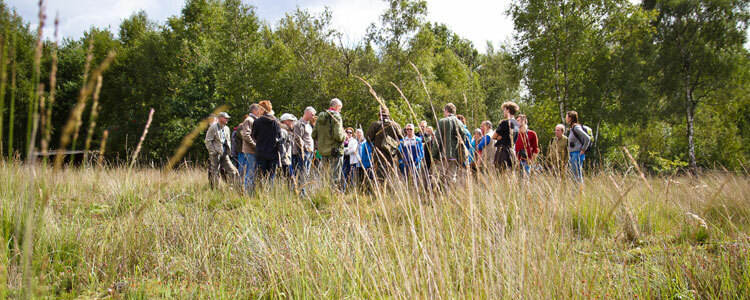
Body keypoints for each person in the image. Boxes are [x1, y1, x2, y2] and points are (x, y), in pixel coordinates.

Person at [312, 98, 347, 191]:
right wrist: (345, 135)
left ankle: (322, 194)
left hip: (323, 151)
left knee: (323, 176)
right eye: (340, 108)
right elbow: (339, 136)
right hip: (335, 151)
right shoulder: (337, 117)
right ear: (337, 107)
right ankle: (333, 197)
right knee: (334, 177)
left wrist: (323, 141)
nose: (340, 110)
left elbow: (314, 134)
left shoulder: (320, 117)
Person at [366, 106, 404, 184]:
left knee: (380, 177)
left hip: (379, 156)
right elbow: (401, 137)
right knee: (392, 175)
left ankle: (381, 192)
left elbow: (368, 138)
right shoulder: (395, 125)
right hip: (392, 155)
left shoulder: (375, 125)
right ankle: (392, 193)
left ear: (379, 115)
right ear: (388, 115)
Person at [205, 112, 239, 189]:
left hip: (225, 153)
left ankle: (231, 187)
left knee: (232, 170)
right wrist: (213, 151)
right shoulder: (213, 128)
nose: (227, 119)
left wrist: (228, 151)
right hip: (216, 153)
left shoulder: (227, 128)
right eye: (225, 118)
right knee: (215, 172)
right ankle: (215, 189)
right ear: (220, 118)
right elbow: (208, 141)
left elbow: (228, 140)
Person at [251, 101, 282, 185]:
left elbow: (253, 135)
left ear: (262, 109)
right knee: (271, 176)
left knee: (262, 176)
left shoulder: (257, 122)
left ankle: (262, 194)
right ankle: (269, 194)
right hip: (273, 152)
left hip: (261, 152)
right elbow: (279, 136)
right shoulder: (275, 122)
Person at [437, 103, 468, 183]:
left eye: (444, 111)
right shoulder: (460, 123)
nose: (444, 113)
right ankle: (451, 194)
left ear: (446, 110)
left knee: (438, 177)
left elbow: (438, 140)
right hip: (455, 156)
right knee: (452, 177)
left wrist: (434, 155)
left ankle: (441, 194)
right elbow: (463, 140)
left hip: (443, 155)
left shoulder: (442, 121)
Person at [292, 106, 316, 195]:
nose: (313, 117)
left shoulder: (309, 125)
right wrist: (306, 147)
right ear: (306, 113)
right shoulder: (299, 124)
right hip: (302, 152)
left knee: (307, 171)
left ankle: (304, 190)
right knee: (302, 171)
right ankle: (301, 192)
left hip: (310, 152)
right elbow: (297, 138)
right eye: (312, 115)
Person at [239, 104, 261, 194]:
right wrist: (255, 145)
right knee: (250, 173)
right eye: (259, 110)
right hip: (250, 150)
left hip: (254, 151)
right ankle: (248, 194)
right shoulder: (249, 120)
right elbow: (245, 135)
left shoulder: (254, 120)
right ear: (254, 110)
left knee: (253, 173)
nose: (260, 112)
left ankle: (251, 192)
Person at [492, 101, 520, 172]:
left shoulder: (504, 123)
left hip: (503, 152)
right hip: (512, 151)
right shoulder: (516, 124)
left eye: (504, 110)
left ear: (508, 110)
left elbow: (494, 136)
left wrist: (498, 137)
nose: (503, 112)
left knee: (500, 174)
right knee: (510, 174)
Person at [567, 111, 591, 183]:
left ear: (571, 118)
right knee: (574, 175)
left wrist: (583, 150)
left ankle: (579, 192)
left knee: (577, 175)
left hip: (577, 153)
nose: (566, 119)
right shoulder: (572, 128)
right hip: (572, 153)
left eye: (567, 117)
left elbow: (587, 138)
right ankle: (575, 192)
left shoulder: (576, 128)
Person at [279, 113, 297, 179]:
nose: (293, 122)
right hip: (284, 160)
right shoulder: (283, 131)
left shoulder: (287, 130)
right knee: (291, 179)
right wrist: (284, 158)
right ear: (286, 121)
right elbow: (281, 146)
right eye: (291, 121)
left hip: (287, 159)